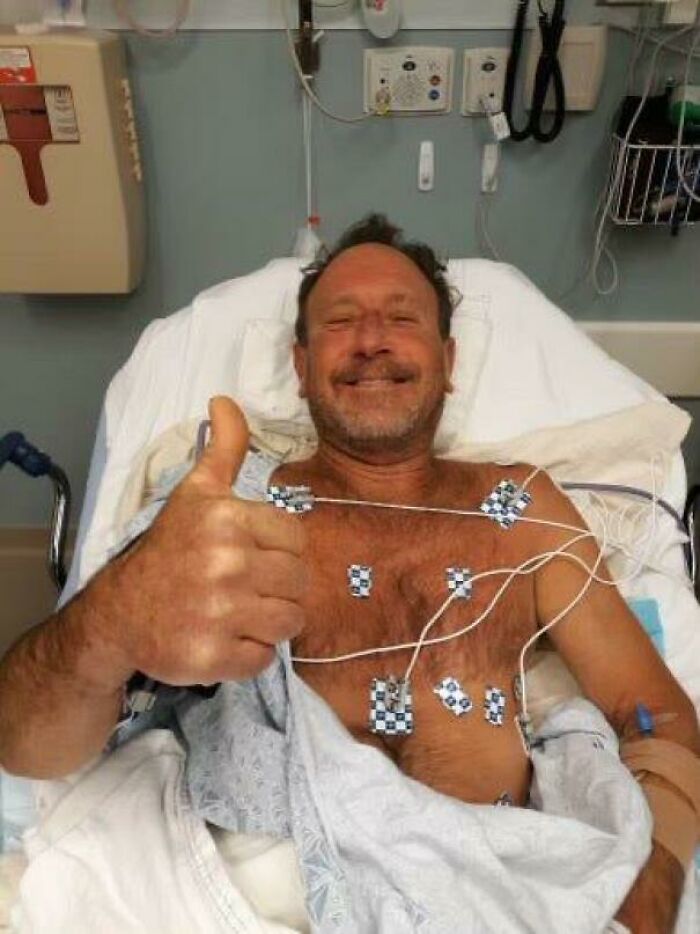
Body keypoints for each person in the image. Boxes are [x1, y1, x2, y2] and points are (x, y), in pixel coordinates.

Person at [0, 215, 698, 932]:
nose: (371, 339)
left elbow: (658, 711)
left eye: (401, 316)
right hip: (246, 891)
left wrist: (660, 870)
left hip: (489, 892)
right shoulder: (223, 505)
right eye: (341, 321)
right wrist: (109, 620)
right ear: (300, 367)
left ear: (448, 360)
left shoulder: (522, 511)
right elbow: (25, 744)